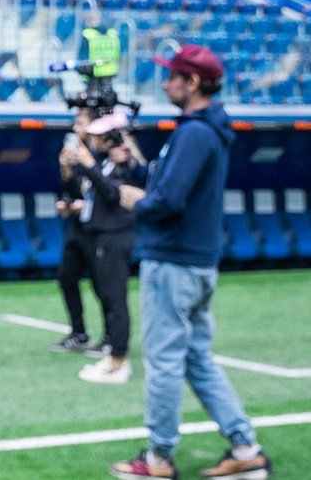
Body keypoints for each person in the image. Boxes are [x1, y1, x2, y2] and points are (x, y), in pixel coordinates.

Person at [110, 45, 272, 480]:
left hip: (173, 263)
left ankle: (159, 459)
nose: (165, 84)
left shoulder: (194, 134)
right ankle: (245, 447)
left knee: (164, 361)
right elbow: (172, 188)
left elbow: (167, 203)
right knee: (197, 359)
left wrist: (136, 201)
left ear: (193, 82)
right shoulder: (205, 131)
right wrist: (137, 169)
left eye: (172, 76)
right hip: (195, 262)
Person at [74, 110, 144, 385]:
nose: (95, 141)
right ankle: (113, 355)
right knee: (108, 296)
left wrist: (89, 166)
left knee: (115, 299)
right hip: (103, 236)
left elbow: (114, 195)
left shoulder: (124, 165)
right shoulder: (106, 163)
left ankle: (119, 360)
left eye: (100, 137)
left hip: (116, 236)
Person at [49, 108, 103, 355]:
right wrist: (66, 169)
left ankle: (112, 338)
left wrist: (85, 204)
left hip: (100, 229)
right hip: (78, 227)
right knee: (66, 276)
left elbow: (109, 190)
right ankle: (78, 333)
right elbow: (75, 190)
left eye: (80, 123)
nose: (75, 128)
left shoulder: (100, 152)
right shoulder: (76, 152)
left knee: (102, 286)